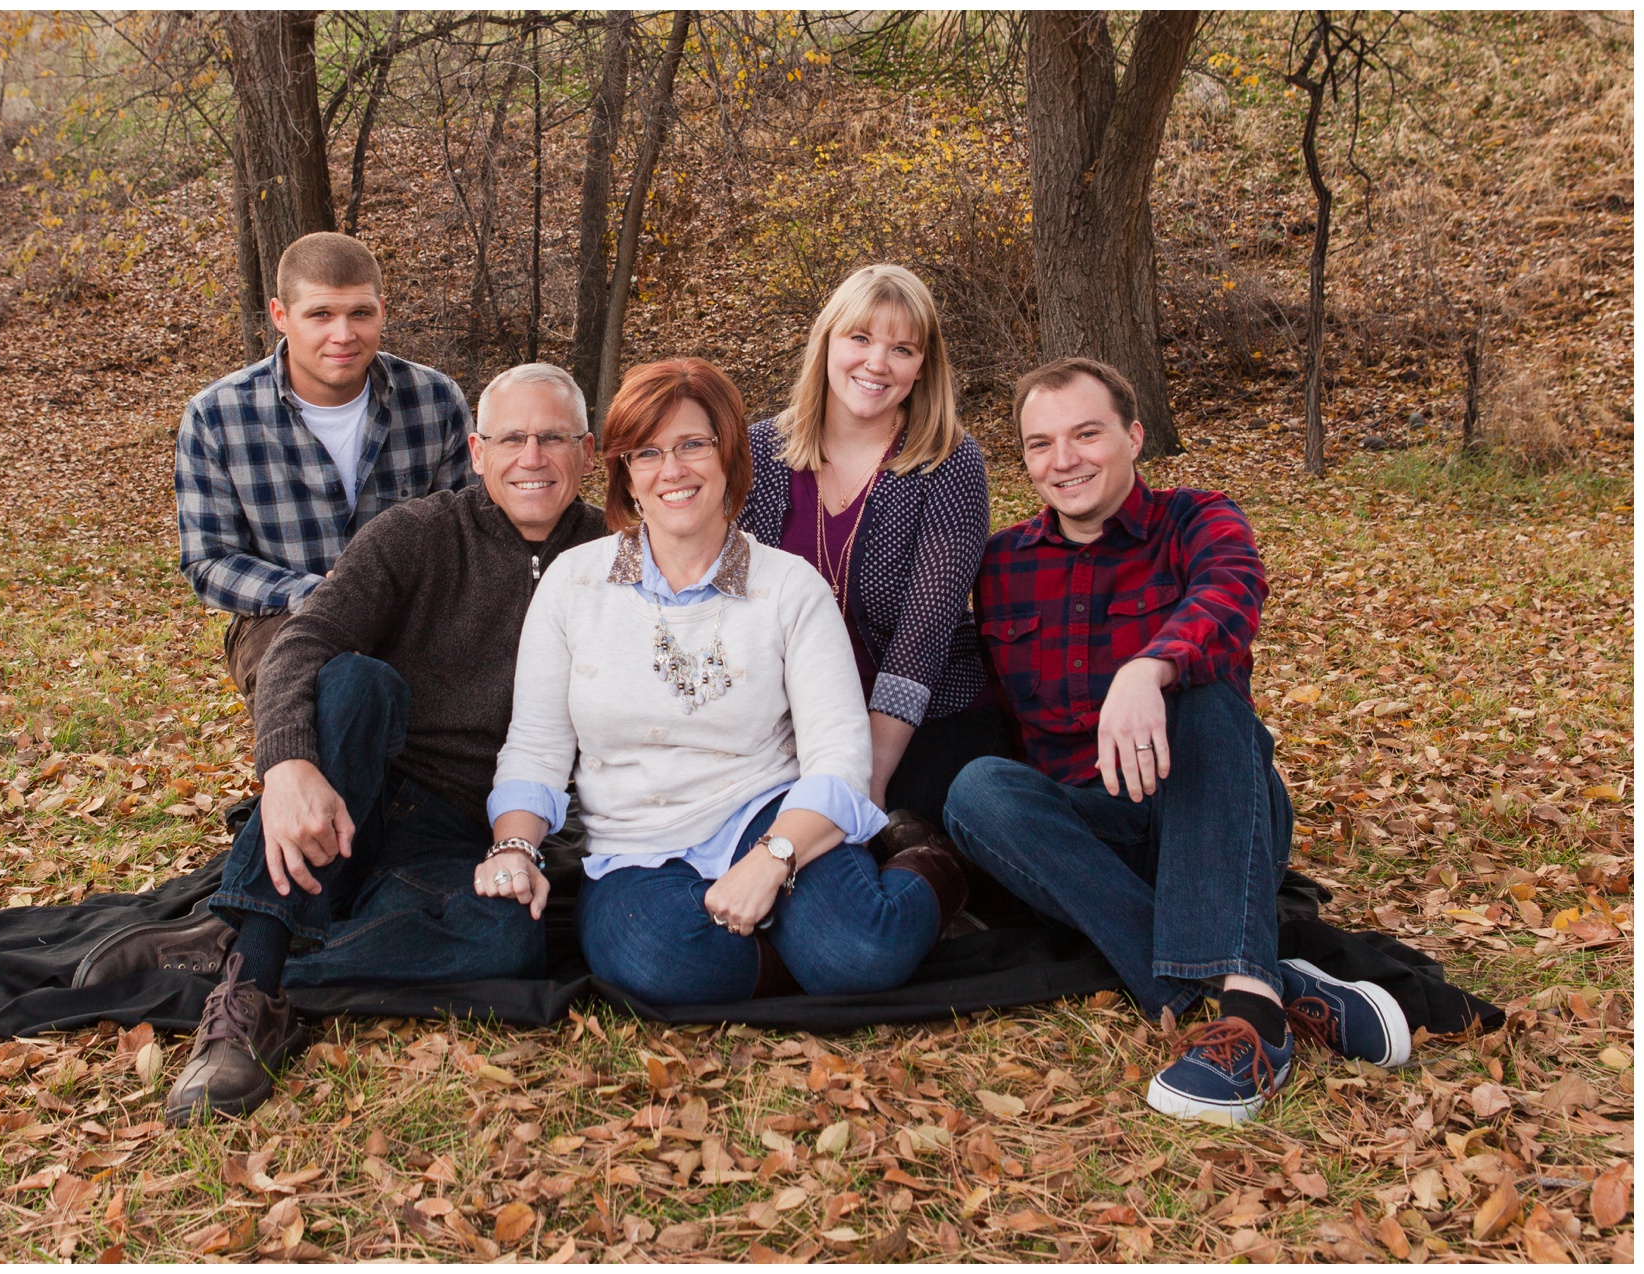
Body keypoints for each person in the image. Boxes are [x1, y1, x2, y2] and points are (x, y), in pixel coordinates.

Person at [83, 363, 603, 1124]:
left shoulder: (614, 555)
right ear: (476, 452)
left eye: (553, 438)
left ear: (586, 453)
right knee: (356, 682)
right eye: (512, 438)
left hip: (465, 831)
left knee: (510, 946)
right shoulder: (416, 534)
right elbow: (301, 644)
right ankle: (248, 998)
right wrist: (288, 764)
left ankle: (255, 937)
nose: (533, 456)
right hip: (361, 789)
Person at [944, 358, 1411, 1126]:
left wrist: (1149, 669)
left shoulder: (1198, 519)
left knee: (1205, 695)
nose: (1064, 460)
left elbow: (1230, 597)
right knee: (975, 790)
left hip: (1213, 806)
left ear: (1134, 436)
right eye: (1040, 444)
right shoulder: (1002, 564)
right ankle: (1260, 981)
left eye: (1086, 434)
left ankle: (1252, 1032)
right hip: (1088, 840)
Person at [481, 358, 972, 1006]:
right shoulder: (574, 585)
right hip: (636, 844)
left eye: (692, 445)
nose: (672, 470)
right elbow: (537, 747)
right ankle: (787, 944)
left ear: (729, 454)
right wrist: (513, 846)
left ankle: (928, 865)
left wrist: (773, 859)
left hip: (767, 810)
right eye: (647, 452)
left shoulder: (790, 586)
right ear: (626, 471)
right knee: (655, 964)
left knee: (862, 950)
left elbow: (840, 758)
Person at [735, 265, 999, 847]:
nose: (877, 363)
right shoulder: (759, 452)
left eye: (901, 348)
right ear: (826, 342)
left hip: (927, 718)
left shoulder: (948, 463)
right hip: (795, 722)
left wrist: (867, 782)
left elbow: (924, 637)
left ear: (922, 365)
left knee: (889, 832)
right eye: (860, 338)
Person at [173, 231, 475, 714]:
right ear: (280, 316)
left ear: (381, 309)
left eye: (360, 313)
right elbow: (207, 561)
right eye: (320, 315)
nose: (343, 334)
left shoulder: (434, 400)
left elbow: (469, 533)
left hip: (413, 614)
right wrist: (315, 592)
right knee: (335, 697)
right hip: (279, 618)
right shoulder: (219, 416)